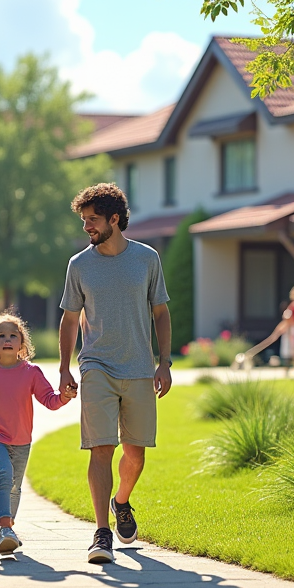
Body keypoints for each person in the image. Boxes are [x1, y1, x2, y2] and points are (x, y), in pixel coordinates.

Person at [58, 183, 172, 564]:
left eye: (92, 220)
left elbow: (161, 312)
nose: (87, 227)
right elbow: (70, 318)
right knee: (101, 448)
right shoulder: (79, 265)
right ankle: (101, 532)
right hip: (97, 366)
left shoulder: (147, 258)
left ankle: (121, 501)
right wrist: (63, 368)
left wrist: (165, 362)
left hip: (139, 366)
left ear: (115, 219)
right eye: (84, 220)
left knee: (135, 454)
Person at [0, 312, 74, 553]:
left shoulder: (31, 372)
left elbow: (50, 400)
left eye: (13, 335)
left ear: (22, 344)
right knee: (4, 474)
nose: (7, 339)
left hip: (22, 440)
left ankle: (9, 528)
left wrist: (64, 397)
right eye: (1, 335)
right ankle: (4, 528)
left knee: (15, 486)